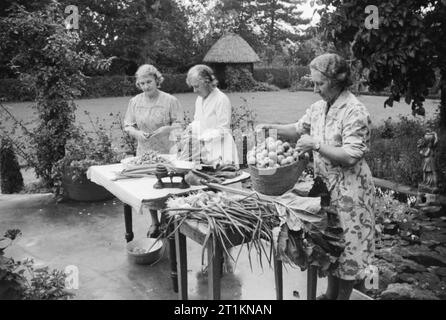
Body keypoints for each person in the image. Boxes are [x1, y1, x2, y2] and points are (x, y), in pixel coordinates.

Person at [257, 53, 375, 300]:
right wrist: (269, 127)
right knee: (332, 245)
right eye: (313, 82)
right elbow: (297, 128)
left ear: (337, 80)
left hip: (350, 192)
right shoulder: (319, 108)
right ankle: (330, 295)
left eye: (319, 84)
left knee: (349, 250)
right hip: (325, 190)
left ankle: (341, 298)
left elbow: (352, 155)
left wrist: (316, 145)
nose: (314, 89)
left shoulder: (355, 111)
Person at [124, 64, 183, 238]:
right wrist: (137, 133)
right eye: (141, 83)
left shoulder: (170, 101)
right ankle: (154, 221)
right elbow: (128, 125)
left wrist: (166, 129)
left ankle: (166, 220)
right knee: (148, 187)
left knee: (165, 186)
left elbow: (179, 124)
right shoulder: (135, 102)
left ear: (157, 80)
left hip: (166, 150)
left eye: (149, 82)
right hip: (145, 152)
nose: (145, 86)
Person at [185, 64, 239, 168]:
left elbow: (223, 129)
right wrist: (189, 130)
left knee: (226, 180)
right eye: (193, 87)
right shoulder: (199, 99)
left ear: (207, 83)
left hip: (222, 151)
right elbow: (198, 121)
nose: (194, 91)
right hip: (207, 152)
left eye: (196, 86)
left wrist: (202, 138)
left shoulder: (221, 99)